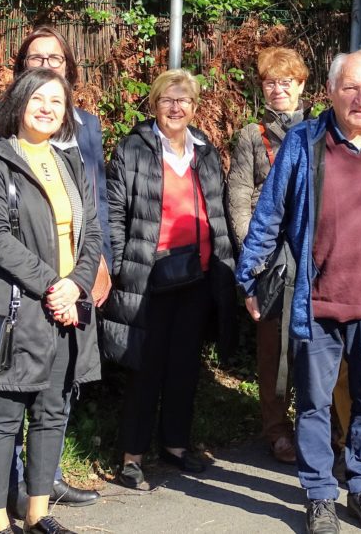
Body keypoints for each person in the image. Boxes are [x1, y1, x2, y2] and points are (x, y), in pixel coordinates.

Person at [235, 50, 361, 534]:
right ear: (330, 92)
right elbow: (269, 215)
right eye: (350, 87)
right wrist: (250, 275)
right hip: (317, 300)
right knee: (314, 405)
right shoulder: (304, 141)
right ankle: (320, 494)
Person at [0, 25, 110, 514]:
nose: (47, 107)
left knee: (52, 411)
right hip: (17, 303)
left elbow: (91, 232)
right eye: (38, 99)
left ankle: (39, 513)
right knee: (4, 413)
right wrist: (55, 285)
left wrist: (77, 286)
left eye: (57, 101)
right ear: (20, 102)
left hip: (68, 307)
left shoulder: (70, 164)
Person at [105, 69, 237, 489]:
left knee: (184, 365)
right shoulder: (133, 149)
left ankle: (175, 446)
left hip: (197, 277)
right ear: (154, 104)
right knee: (145, 367)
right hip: (149, 277)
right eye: (167, 99)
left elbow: (218, 215)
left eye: (184, 101)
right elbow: (114, 214)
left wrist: (226, 266)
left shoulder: (205, 151)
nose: (176, 107)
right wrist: (120, 267)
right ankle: (132, 457)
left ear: (195, 107)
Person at [226, 47, 311, 465]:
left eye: (286, 82)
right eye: (270, 83)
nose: (278, 90)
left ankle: (317, 424)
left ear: (301, 85)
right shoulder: (251, 135)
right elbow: (239, 197)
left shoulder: (319, 129)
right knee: (272, 345)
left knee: (316, 343)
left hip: (313, 253)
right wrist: (252, 256)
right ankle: (277, 428)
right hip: (270, 257)